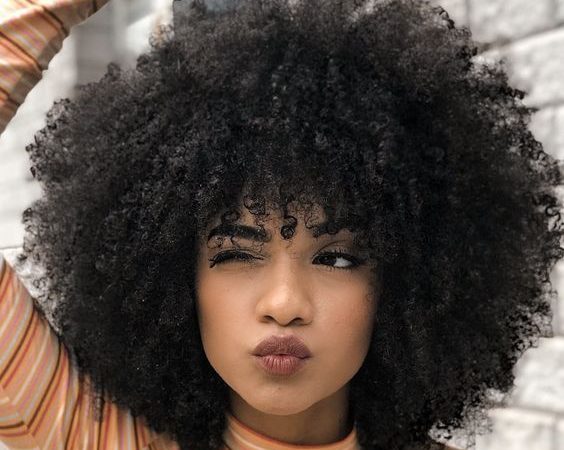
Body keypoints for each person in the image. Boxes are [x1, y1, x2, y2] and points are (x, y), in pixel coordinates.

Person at [1, 0, 562, 449]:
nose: (285, 303)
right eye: (237, 253)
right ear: (175, 279)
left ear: (409, 283)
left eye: (336, 258)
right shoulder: (93, 437)